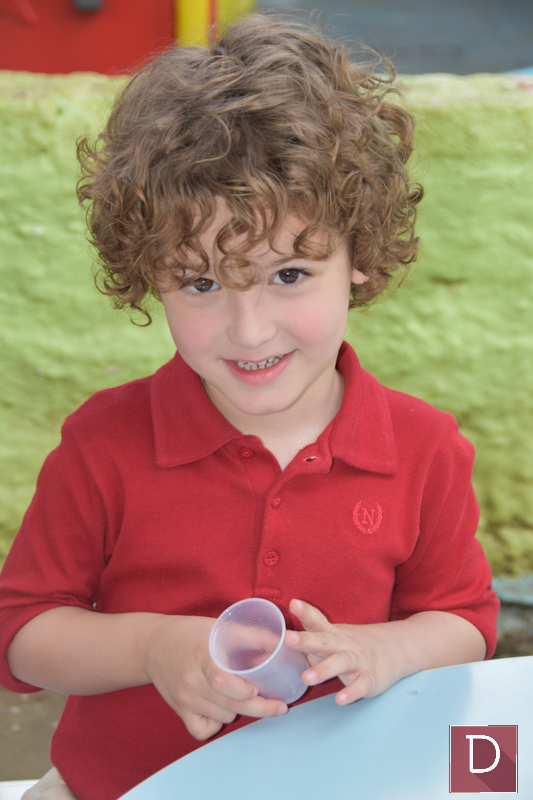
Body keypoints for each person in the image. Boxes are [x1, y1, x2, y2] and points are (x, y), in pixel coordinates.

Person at [0, 13, 498, 800]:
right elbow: (23, 635)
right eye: (201, 282)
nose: (250, 329)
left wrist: (389, 651)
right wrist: (154, 649)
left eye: (289, 275)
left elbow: (464, 622)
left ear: (358, 256)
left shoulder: (424, 448)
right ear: (149, 274)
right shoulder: (104, 443)